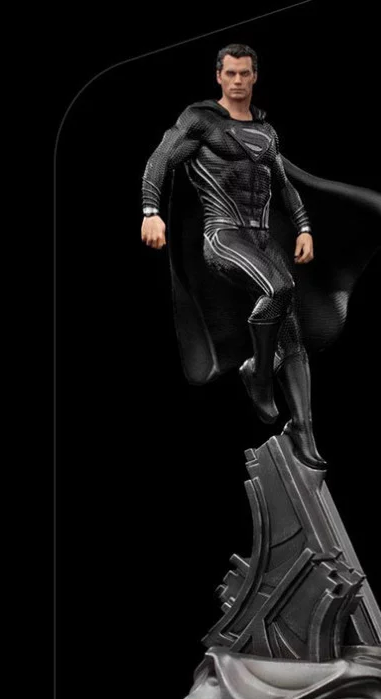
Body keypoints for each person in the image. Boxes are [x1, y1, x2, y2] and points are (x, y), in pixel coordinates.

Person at [141, 43, 326, 469]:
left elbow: (283, 185)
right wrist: (151, 211)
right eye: (231, 74)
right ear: (219, 76)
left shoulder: (266, 132)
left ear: (254, 76)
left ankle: (303, 429)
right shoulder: (200, 120)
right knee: (279, 288)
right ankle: (258, 375)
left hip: (262, 239)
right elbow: (160, 159)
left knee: (293, 334)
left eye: (245, 73)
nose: (238, 81)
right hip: (223, 236)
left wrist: (304, 226)